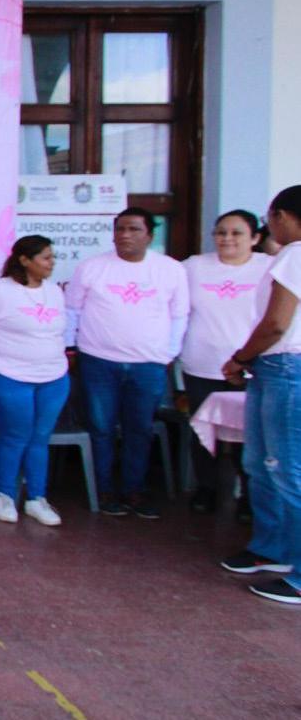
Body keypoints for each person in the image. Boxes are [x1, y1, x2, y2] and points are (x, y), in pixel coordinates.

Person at [65, 207, 188, 519]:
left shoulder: (170, 269)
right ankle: (104, 489)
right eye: (120, 229)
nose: (125, 235)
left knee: (139, 429)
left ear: (150, 235)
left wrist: (168, 354)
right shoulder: (92, 267)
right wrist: (70, 349)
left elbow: (179, 315)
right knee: (101, 428)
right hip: (98, 361)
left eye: (134, 229)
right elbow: (72, 311)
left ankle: (135, 490)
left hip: (148, 364)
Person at [221, 185, 301, 604]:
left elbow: (276, 324)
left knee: (288, 470)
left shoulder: (294, 254)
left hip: (286, 367)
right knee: (261, 464)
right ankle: (273, 548)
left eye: (270, 218)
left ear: (281, 216)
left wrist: (240, 357)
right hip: (274, 367)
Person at [0, 236, 68, 526]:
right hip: (8, 376)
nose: (52, 263)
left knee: (40, 437)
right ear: (24, 260)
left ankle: (36, 498)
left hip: (53, 378)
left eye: (52, 257)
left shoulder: (54, 292)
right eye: (45, 257)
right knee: (15, 435)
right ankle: (5, 494)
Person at [181, 210, 270, 518]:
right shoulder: (193, 266)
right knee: (203, 431)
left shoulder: (269, 267)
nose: (227, 239)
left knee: (251, 434)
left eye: (236, 233)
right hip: (201, 362)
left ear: (255, 238)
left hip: (251, 365)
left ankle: (248, 495)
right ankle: (206, 488)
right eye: (221, 232)